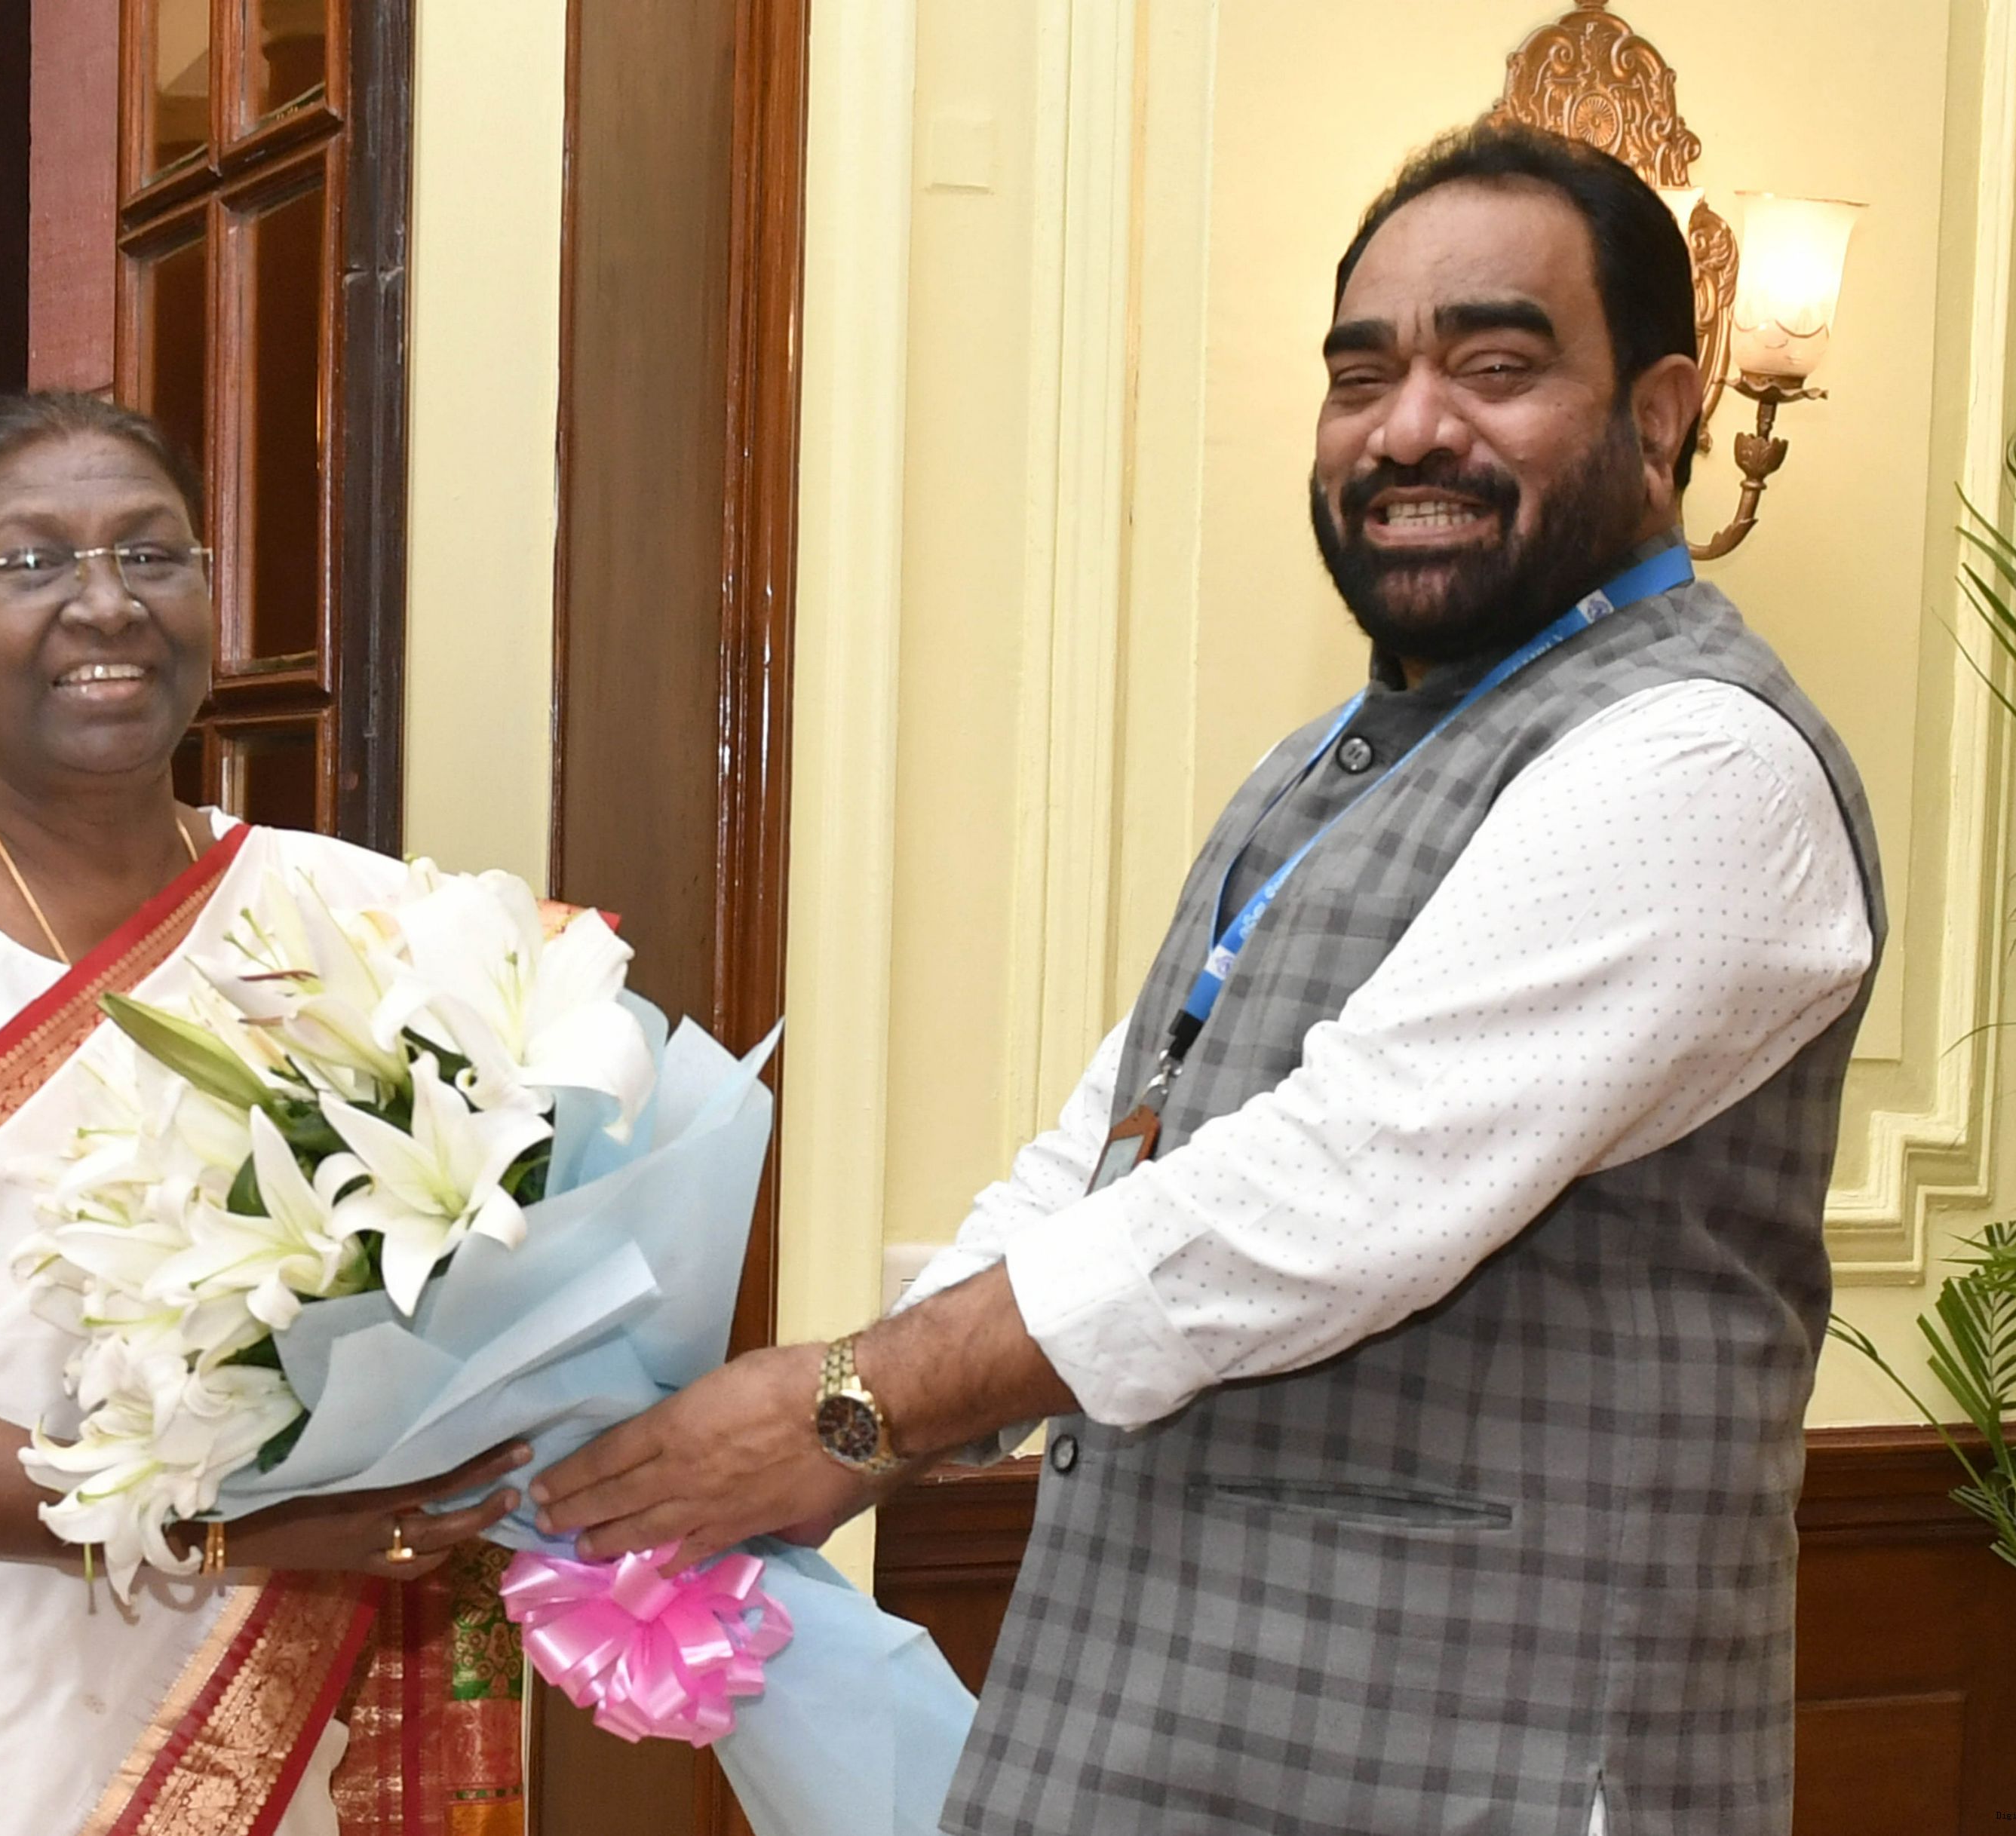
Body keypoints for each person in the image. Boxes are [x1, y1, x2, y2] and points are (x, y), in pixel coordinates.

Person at [531, 121, 1883, 1836]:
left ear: (1664, 414)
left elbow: (1331, 1193)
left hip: (1490, 1766)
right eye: (1359, 377)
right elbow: (1112, 1151)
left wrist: (852, 1408)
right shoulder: (1317, 764)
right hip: (1152, 1729)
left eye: (1494, 366)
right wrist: (831, 1428)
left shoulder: (1700, 762)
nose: (1408, 428)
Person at [0, 392, 529, 1836]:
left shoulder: (353, 912)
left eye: (151, 554)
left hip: (262, 1673)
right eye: (30, 562)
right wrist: (208, 1524)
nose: (105, 604)